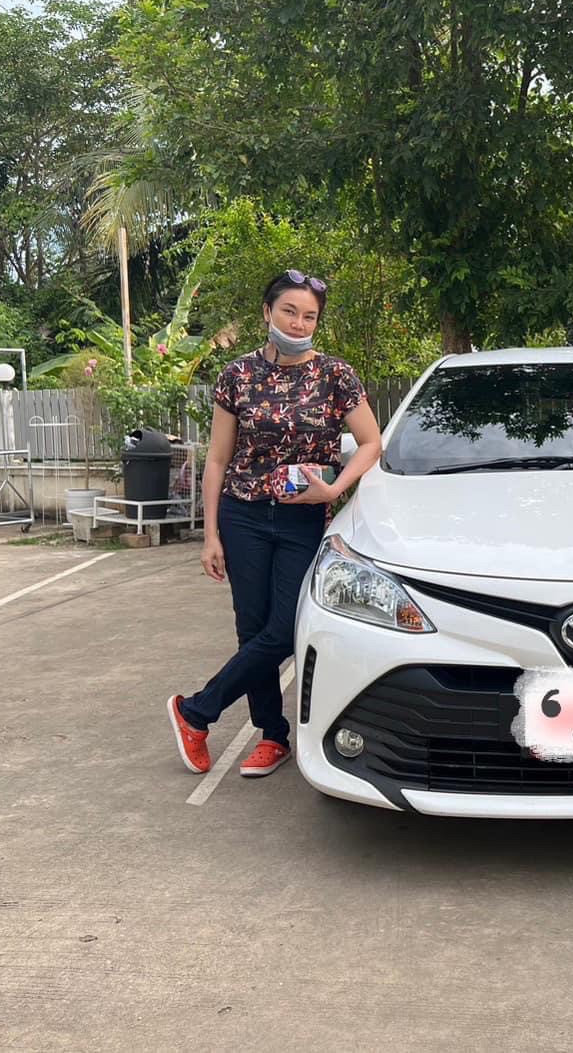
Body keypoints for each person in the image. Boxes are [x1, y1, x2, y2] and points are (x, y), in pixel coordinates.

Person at [167, 269, 382, 779]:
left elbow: (372, 442)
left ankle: (196, 710)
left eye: (309, 316)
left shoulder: (336, 375)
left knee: (284, 629)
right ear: (267, 312)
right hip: (242, 514)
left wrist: (335, 488)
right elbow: (217, 460)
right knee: (251, 628)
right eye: (289, 311)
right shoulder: (237, 375)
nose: (298, 323)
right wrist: (210, 535)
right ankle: (272, 736)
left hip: (302, 517)